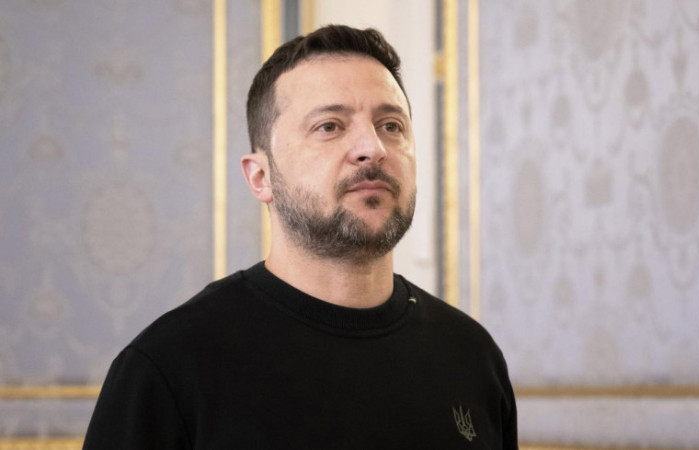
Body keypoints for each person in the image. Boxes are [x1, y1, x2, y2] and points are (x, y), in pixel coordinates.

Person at [83, 25, 517, 449]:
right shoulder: (168, 370)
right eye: (330, 126)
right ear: (260, 176)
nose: (373, 148)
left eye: (391, 125)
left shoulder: (472, 356)